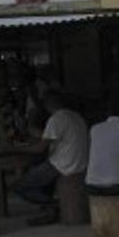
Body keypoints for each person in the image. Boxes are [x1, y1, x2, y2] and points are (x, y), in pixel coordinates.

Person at [12, 92, 89, 225]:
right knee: (41, 174)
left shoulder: (56, 119)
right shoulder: (76, 116)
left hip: (63, 165)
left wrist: (13, 149)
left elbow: (40, 148)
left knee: (20, 186)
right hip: (80, 162)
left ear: (48, 104)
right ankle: (50, 209)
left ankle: (54, 204)